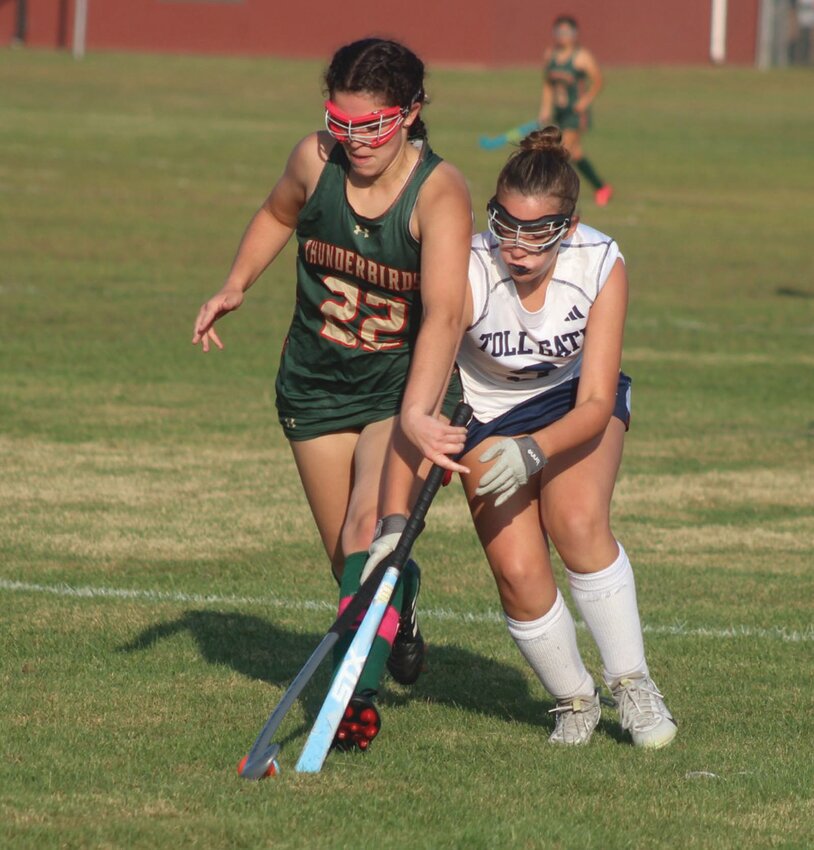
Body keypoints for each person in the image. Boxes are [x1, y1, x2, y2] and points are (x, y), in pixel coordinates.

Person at [192, 37, 472, 751]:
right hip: (313, 388)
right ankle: (398, 607)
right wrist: (235, 283)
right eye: (341, 123)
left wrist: (416, 410)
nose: (354, 141)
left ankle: (356, 703)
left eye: (371, 127)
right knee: (353, 568)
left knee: (364, 536)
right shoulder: (314, 159)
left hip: (393, 391)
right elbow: (279, 214)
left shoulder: (439, 193)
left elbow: (444, 312)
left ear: (410, 115)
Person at [455, 127, 676, 748]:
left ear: (569, 226)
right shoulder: (468, 266)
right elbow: (432, 375)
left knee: (576, 520)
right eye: (506, 225)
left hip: (572, 401)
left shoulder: (600, 261)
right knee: (518, 572)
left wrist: (534, 451)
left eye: (539, 231)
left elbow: (598, 399)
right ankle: (574, 698)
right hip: (485, 413)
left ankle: (632, 682)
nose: (517, 246)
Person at [539, 15, 613, 206]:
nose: (563, 36)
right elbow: (548, 84)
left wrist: (586, 99)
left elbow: (598, 79)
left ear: (574, 34)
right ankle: (601, 187)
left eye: (567, 32)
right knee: (576, 153)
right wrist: (545, 108)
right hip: (560, 112)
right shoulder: (550, 55)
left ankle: (554, 192)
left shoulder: (582, 57)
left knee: (562, 150)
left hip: (576, 114)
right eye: (559, 32)